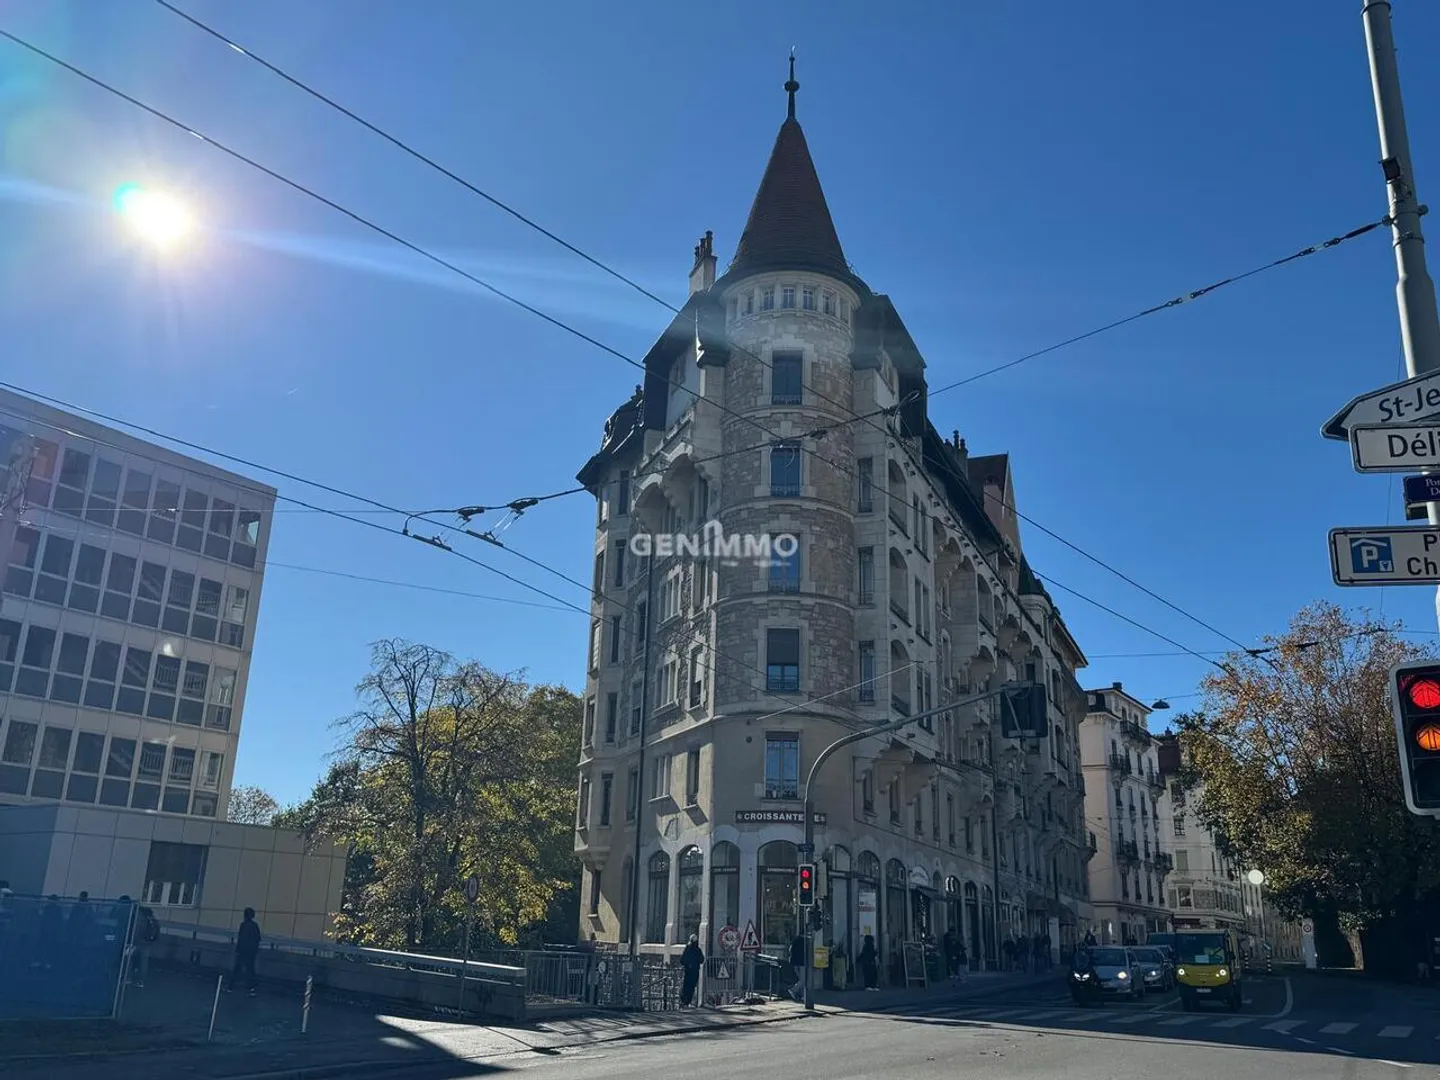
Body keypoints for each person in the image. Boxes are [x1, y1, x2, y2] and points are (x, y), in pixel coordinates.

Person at [228, 908, 261, 996]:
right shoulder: (254, 925)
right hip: (250, 952)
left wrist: (238, 949)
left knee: (238, 968)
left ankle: (231, 986)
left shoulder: (243, 925)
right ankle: (251, 988)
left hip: (243, 950)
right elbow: (257, 938)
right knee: (250, 969)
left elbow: (241, 938)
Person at [130, 905, 160, 988]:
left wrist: (133, 940)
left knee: (131, 958)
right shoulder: (153, 920)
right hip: (147, 943)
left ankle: (129, 977)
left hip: (138, 942)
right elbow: (157, 932)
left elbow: (136, 931)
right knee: (144, 962)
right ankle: (141, 981)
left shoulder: (140, 919)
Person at [679, 934, 704, 1008]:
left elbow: (682, 960)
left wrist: (686, 964)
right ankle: (687, 1001)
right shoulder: (698, 950)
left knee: (686, 986)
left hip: (688, 971)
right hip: (695, 971)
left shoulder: (687, 949)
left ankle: (683, 1001)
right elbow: (702, 959)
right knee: (691, 987)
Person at [788, 933, 806, 1001]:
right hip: (801, 963)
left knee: (802, 979)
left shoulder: (795, 941)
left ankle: (802, 995)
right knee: (804, 980)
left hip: (795, 963)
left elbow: (790, 951)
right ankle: (793, 990)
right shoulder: (803, 942)